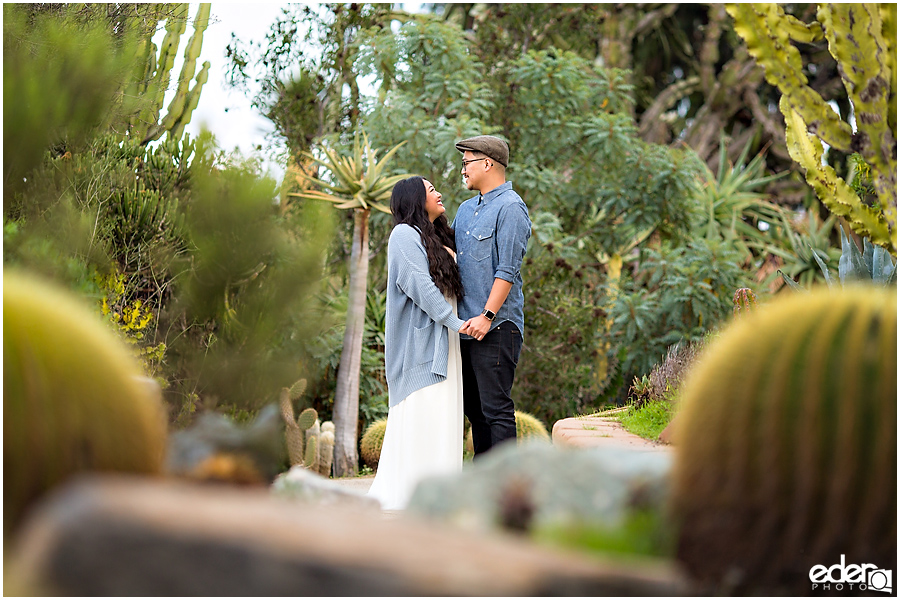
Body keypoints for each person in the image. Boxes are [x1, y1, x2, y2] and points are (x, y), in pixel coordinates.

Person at [366, 176, 470, 510]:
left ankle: (441, 500)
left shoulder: (434, 238)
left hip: (445, 346)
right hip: (422, 353)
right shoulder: (403, 235)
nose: (439, 193)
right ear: (415, 200)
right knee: (425, 422)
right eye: (431, 190)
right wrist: (458, 324)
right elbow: (420, 288)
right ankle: (411, 499)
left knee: (444, 423)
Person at [452, 135, 532, 457]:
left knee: (496, 411)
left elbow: (507, 270)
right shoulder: (467, 208)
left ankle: (505, 491)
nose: (463, 170)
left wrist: (487, 317)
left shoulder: (511, 208)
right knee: (476, 413)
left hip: (497, 327)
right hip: (466, 328)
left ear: (487, 163)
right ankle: (483, 485)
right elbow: (449, 252)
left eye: (466, 162)